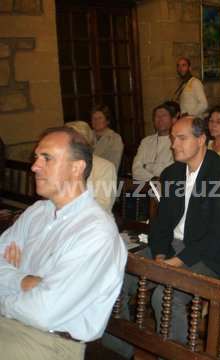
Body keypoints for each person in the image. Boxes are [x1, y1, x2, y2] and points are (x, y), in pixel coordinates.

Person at [0, 127, 127, 359]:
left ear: (76, 168)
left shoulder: (96, 231)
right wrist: (23, 281)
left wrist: (6, 290)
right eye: (36, 158)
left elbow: (43, 312)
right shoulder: (37, 212)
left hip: (51, 342)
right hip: (13, 323)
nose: (34, 166)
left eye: (46, 158)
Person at [149, 116, 220, 344]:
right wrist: (160, 255)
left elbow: (218, 235)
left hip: (212, 256)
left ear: (201, 140)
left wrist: (175, 263)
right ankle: (121, 350)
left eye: (181, 138)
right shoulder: (171, 173)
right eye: (173, 138)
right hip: (172, 247)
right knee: (120, 276)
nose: (173, 144)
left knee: (165, 295)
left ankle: (175, 353)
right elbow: (161, 223)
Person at [65, 121, 117, 212]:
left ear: (85, 142)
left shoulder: (105, 167)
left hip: (95, 221)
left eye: (73, 141)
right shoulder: (60, 165)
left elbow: (103, 206)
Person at [132, 102, 176, 181]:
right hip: (144, 186)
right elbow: (135, 170)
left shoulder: (177, 141)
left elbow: (171, 170)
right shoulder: (146, 141)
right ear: (153, 121)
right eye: (157, 116)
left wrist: (147, 166)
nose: (160, 119)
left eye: (164, 115)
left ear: (172, 120)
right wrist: (153, 179)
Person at [91, 104, 124, 171]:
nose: (96, 121)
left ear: (107, 120)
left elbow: (113, 165)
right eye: (94, 118)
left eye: (100, 118)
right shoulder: (86, 135)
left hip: (105, 176)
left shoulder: (115, 139)